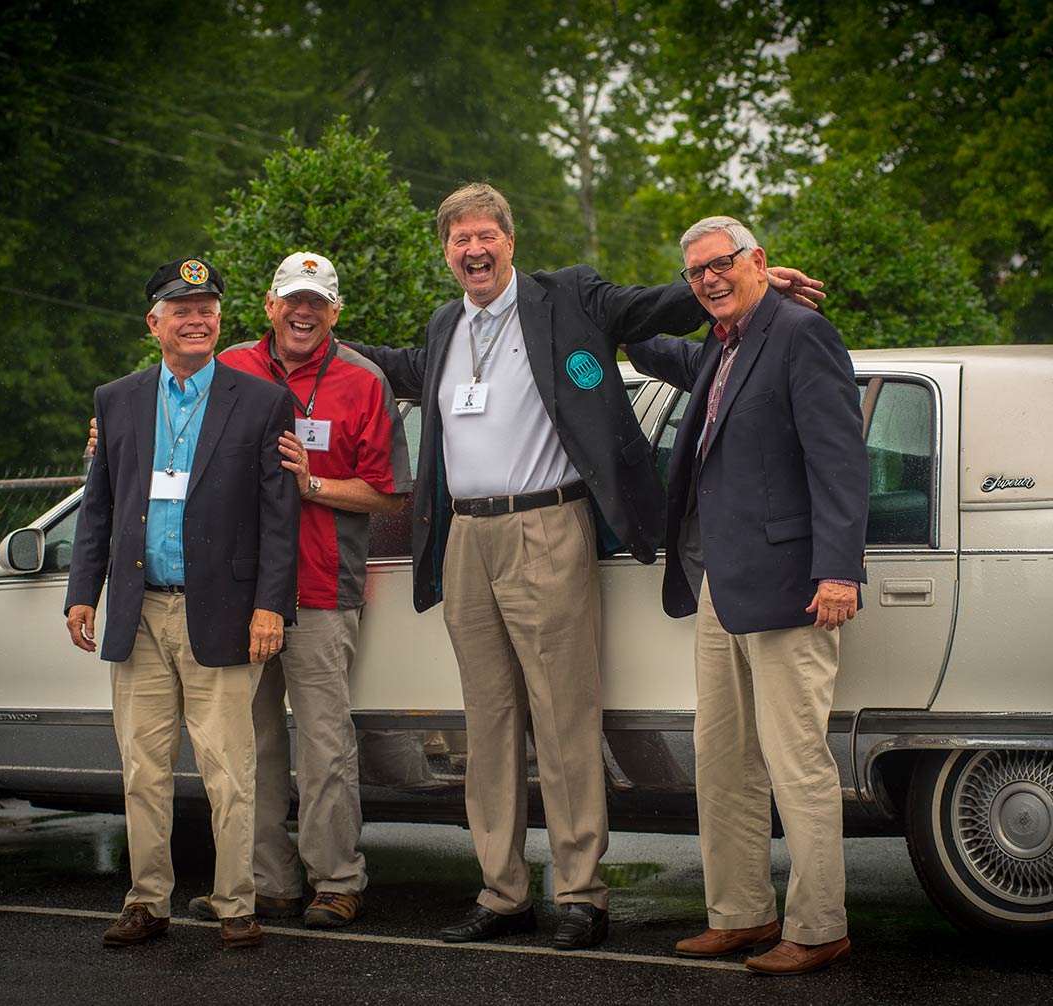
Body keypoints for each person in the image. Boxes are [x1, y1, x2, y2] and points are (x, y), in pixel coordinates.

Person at [347, 183, 825, 951]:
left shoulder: (567, 296)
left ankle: (581, 893)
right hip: (467, 539)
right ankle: (502, 893)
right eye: (459, 240)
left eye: (485, 236)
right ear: (446, 252)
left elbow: (651, 309)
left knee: (565, 720)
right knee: (488, 726)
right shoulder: (445, 325)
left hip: (548, 526)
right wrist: (303, 343)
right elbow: (397, 371)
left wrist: (737, 282)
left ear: (509, 239)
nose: (474, 250)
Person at [88, 253, 412, 929]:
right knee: (250, 744)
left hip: (321, 585)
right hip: (230, 594)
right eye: (293, 299)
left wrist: (312, 484)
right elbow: (157, 437)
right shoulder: (229, 366)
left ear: (335, 313)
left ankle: (337, 879)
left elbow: (387, 495)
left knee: (324, 741)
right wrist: (109, 436)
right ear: (269, 306)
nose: (304, 312)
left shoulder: (363, 379)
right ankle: (266, 880)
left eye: (318, 303)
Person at [625, 216, 868, 975]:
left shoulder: (800, 336)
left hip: (793, 588)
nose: (708, 280)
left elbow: (840, 461)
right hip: (719, 589)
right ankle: (740, 914)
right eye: (697, 273)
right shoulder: (715, 348)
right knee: (721, 758)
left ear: (760, 261)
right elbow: (633, 339)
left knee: (795, 761)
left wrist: (839, 571)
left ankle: (820, 925)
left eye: (721, 266)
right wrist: (702, 303)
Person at [64, 258, 300, 950]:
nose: (197, 319)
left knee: (231, 768)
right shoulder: (117, 400)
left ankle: (236, 905)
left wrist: (270, 607)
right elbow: (99, 505)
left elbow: (278, 515)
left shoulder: (259, 401)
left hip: (223, 612)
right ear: (155, 323)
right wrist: (84, 592)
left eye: (208, 308)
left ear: (221, 319)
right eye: (182, 309)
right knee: (142, 768)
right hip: (139, 613)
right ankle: (147, 901)